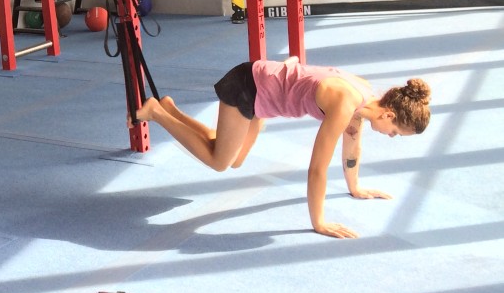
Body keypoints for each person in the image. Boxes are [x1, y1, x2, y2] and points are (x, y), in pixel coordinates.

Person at [135, 57, 431, 239]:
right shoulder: (345, 104)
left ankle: (171, 110)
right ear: (389, 115)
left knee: (235, 158)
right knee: (220, 161)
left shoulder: (365, 97)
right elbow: (317, 169)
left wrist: (356, 188)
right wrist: (320, 222)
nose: (390, 136)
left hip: (263, 96)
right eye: (395, 133)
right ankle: (156, 113)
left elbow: (352, 145)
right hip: (247, 87)